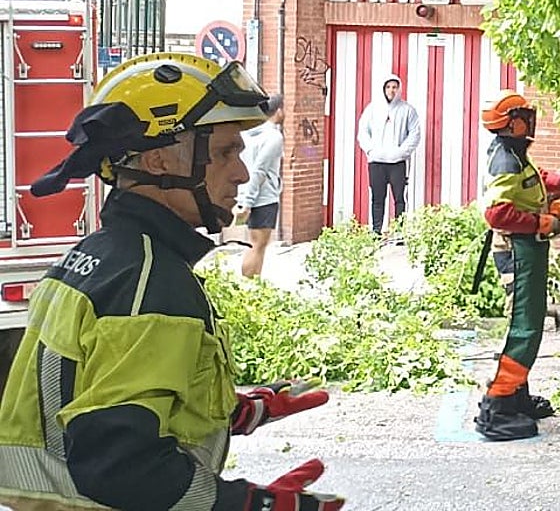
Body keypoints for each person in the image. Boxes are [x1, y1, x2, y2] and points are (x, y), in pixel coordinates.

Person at [0, 54, 344, 511]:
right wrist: (246, 504)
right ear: (161, 160)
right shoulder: (150, 285)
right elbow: (122, 465)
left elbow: (100, 391)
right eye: (224, 152)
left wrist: (236, 411)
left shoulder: (100, 256)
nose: (241, 172)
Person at [474, 90, 560, 441]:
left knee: (530, 326)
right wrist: (541, 223)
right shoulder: (505, 161)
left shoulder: (512, 153)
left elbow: (533, 177)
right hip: (517, 249)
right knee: (524, 329)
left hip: (527, 247)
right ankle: (495, 408)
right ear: (512, 123)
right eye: (525, 115)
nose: (531, 120)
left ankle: (516, 397)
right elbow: (496, 213)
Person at [356, 73, 421, 237]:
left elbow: (414, 134)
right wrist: (371, 150)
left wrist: (401, 152)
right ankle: (376, 231)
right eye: (388, 87)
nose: (391, 90)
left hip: (397, 163)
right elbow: (363, 132)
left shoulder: (407, 110)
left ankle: (399, 232)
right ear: (383, 89)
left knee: (399, 198)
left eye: (394, 87)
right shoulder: (372, 109)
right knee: (377, 198)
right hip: (377, 162)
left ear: (399, 89)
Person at [233, 93, 285, 278]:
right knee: (258, 245)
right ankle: (250, 286)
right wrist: (248, 202)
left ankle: (251, 284)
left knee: (253, 242)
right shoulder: (273, 137)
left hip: (246, 191)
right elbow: (260, 170)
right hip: (263, 198)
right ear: (278, 111)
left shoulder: (248, 134)